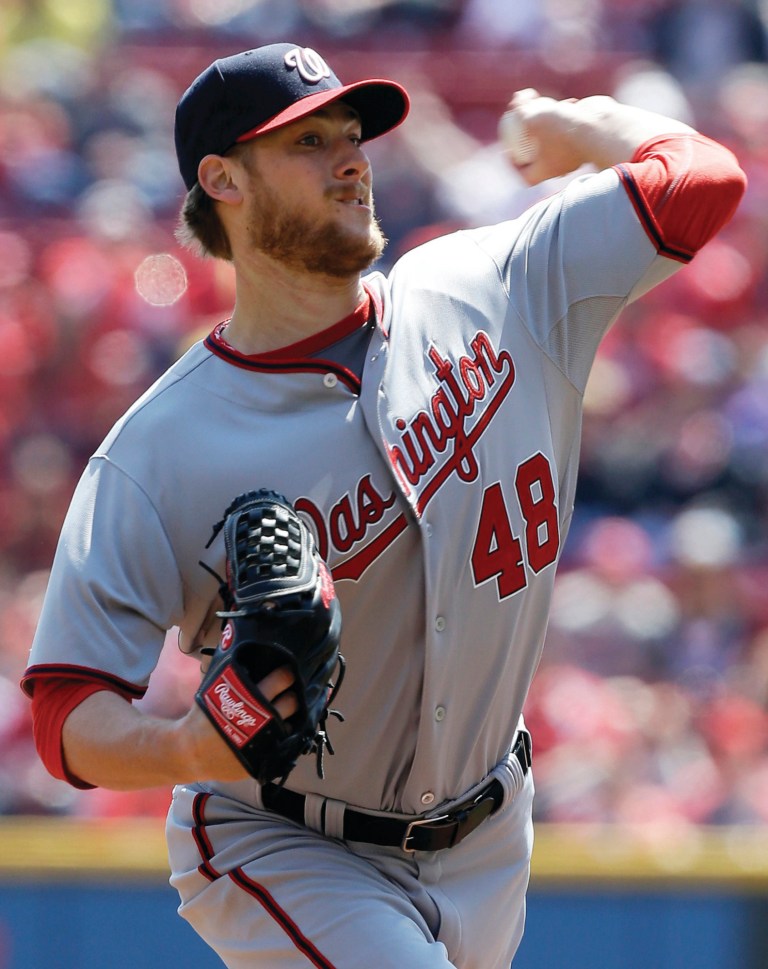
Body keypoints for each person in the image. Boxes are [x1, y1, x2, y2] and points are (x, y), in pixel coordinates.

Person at [21, 41, 745, 969]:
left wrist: (581, 126)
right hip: (288, 844)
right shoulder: (158, 451)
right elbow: (65, 712)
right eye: (309, 141)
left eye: (352, 134)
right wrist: (190, 746)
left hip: (490, 833)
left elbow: (700, 179)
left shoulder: (494, 283)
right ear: (222, 180)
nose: (352, 157)